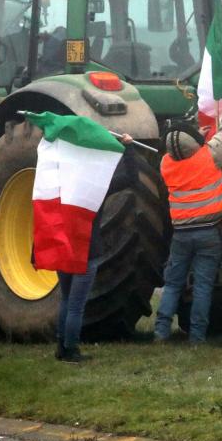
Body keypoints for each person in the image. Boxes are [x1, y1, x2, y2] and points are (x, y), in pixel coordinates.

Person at [154, 95, 222, 344]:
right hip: (208, 234)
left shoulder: (166, 164)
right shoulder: (210, 156)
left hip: (181, 235)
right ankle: (197, 337)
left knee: (172, 285)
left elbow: (180, 147)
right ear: (195, 142)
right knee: (203, 286)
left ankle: (161, 331)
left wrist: (195, 136)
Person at [55, 134, 137, 363]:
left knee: (65, 299)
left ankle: (61, 346)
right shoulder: (96, 186)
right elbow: (131, 179)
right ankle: (71, 350)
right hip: (86, 250)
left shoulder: (59, 183)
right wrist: (128, 149)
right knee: (76, 306)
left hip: (64, 248)